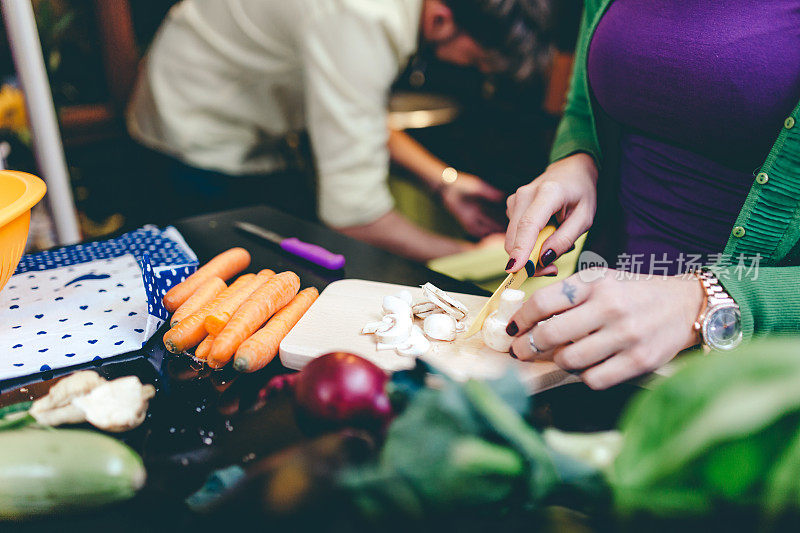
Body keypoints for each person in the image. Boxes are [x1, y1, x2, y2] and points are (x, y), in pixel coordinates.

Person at [502, 0, 800, 389]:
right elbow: (581, 106)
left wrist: (704, 300)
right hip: (594, 335)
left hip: (757, 388)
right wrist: (576, 158)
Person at [127, 0, 555, 261]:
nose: (466, 67)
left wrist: (445, 184)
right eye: (476, 59)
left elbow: (356, 116)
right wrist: (466, 255)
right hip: (194, 127)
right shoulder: (361, 15)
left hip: (246, 110)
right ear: (444, 19)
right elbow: (354, 216)